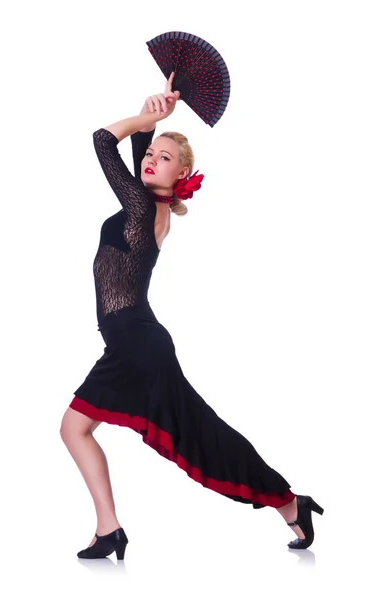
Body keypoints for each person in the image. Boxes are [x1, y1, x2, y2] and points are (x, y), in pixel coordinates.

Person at [60, 72, 324, 560]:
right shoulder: (147, 201)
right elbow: (136, 148)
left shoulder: (141, 206)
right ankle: (111, 528)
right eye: (151, 154)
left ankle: (284, 500)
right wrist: (155, 110)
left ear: (181, 175)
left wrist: (151, 119)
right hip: (133, 343)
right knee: (187, 430)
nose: (152, 160)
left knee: (185, 435)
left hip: (137, 345)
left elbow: (101, 142)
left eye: (166, 158)